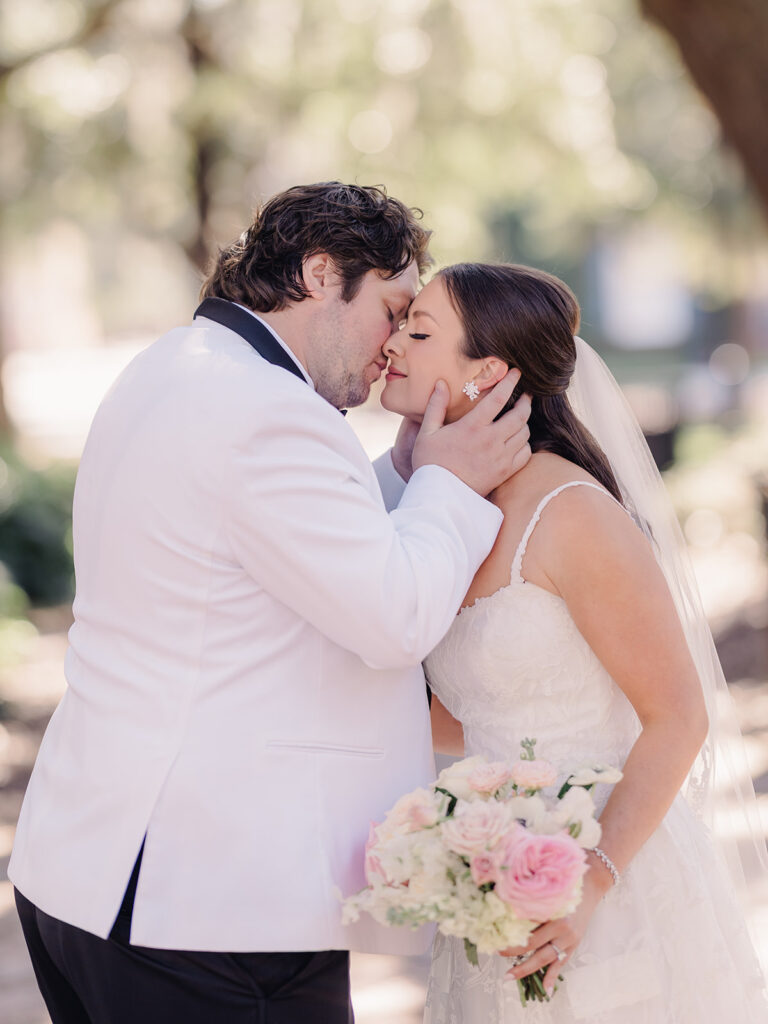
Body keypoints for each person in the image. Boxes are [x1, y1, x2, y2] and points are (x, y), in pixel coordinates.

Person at [8, 184, 533, 1024]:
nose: (396, 346)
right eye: (393, 310)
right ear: (322, 274)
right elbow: (393, 618)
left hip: (88, 870)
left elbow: (260, 553)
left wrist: (405, 473)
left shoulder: (177, 366)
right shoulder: (268, 411)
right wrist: (449, 482)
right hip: (200, 909)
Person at [379, 262, 768, 1022]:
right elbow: (480, 705)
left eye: (419, 331)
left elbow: (678, 714)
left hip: (612, 877)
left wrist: (591, 878)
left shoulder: (571, 511)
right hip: (492, 880)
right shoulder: (439, 508)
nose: (393, 342)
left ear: (487, 372)